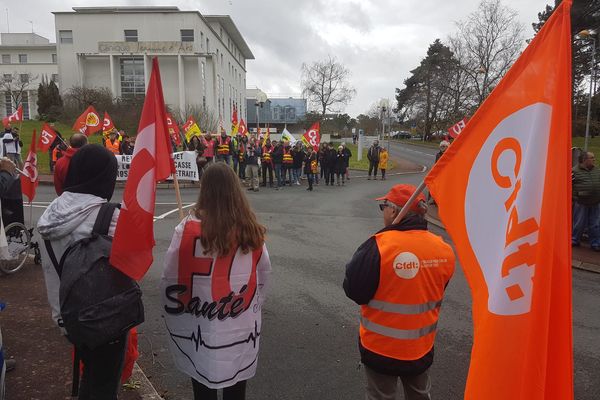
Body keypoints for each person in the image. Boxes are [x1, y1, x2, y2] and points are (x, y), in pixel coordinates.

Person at [161, 162, 271, 400]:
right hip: (238, 323)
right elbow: (264, 274)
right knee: (236, 386)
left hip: (199, 323)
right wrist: (251, 306)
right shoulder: (251, 230)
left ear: (204, 190)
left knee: (203, 384)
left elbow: (169, 277)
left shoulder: (186, 230)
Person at [343, 184, 455, 400]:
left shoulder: (377, 246)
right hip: (421, 348)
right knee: (420, 395)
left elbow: (354, 291)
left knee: (380, 396)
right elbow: (438, 287)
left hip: (380, 349)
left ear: (394, 210)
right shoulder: (444, 249)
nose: (383, 211)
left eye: (384, 206)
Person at [38, 144, 128, 399]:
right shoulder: (111, 216)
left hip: (67, 316)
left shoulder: (50, 214)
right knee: (103, 385)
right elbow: (131, 266)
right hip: (105, 318)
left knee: (91, 375)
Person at [572, 151, 600, 251]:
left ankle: (595, 243)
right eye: (592, 158)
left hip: (595, 202)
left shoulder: (597, 170)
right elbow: (567, 186)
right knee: (579, 223)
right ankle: (575, 240)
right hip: (581, 203)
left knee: (595, 224)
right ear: (584, 160)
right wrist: (576, 196)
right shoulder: (574, 171)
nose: (594, 160)